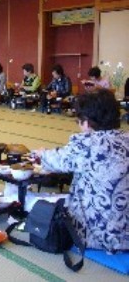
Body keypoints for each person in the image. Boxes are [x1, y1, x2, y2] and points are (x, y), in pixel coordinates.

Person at [33, 89, 128, 253]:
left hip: (101, 234)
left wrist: (41, 154)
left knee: (41, 203)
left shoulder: (87, 143)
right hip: (126, 230)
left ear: (86, 122)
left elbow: (56, 161)